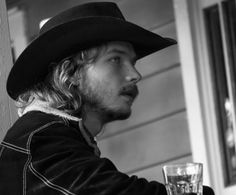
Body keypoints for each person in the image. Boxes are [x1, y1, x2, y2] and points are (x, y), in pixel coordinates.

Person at [0, 2, 214, 195]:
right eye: (115, 59)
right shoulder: (40, 140)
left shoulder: (60, 137)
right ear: (71, 73)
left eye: (133, 62)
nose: (134, 75)